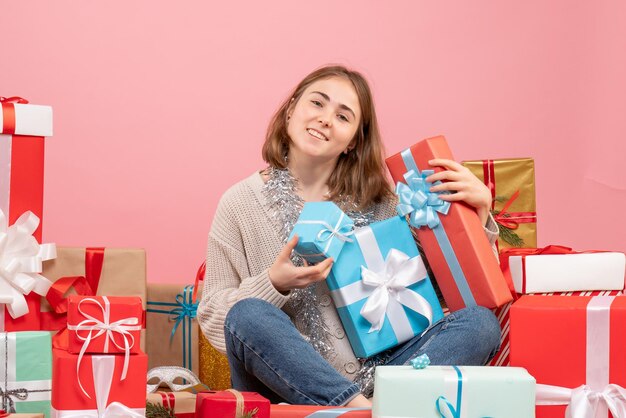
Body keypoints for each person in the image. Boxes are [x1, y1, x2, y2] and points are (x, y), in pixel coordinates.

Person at [197, 65, 501, 407]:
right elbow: (213, 318)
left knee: (480, 323)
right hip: (285, 388)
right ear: (291, 109)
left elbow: (449, 293)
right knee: (247, 314)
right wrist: (274, 283)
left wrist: (479, 214)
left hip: (387, 374)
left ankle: (376, 406)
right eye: (317, 103)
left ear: (353, 141)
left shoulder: (382, 203)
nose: (326, 119)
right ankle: (363, 410)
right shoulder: (239, 202)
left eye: (343, 116)